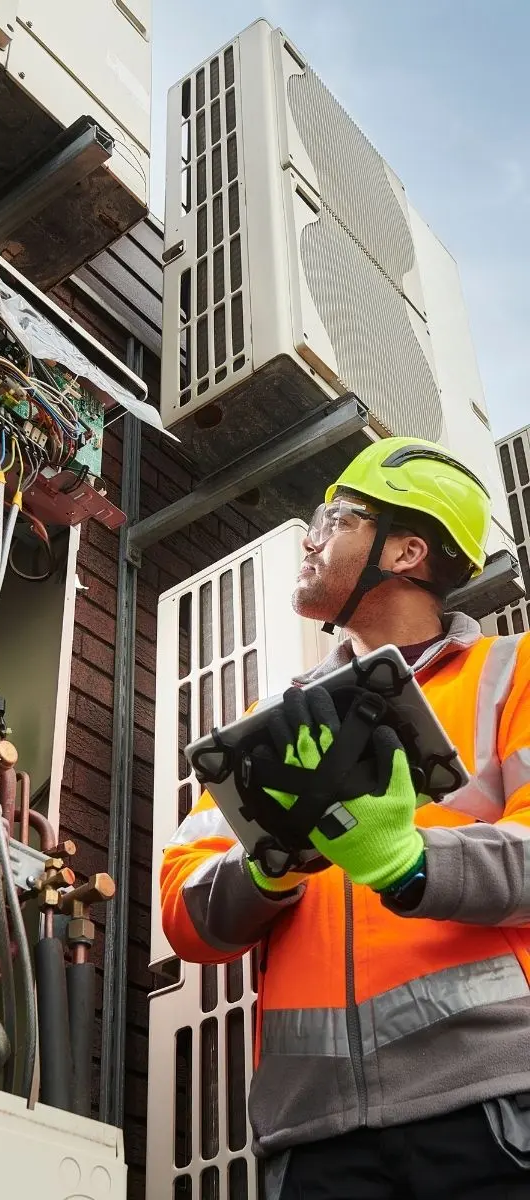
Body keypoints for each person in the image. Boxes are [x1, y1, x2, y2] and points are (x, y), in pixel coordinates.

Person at [159, 437, 530, 1199]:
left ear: (405, 550)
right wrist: (271, 864)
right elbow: (185, 912)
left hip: (492, 1105)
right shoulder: (270, 722)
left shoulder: (514, 674)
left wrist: (411, 864)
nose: (311, 534)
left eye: (336, 516)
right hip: (314, 1137)